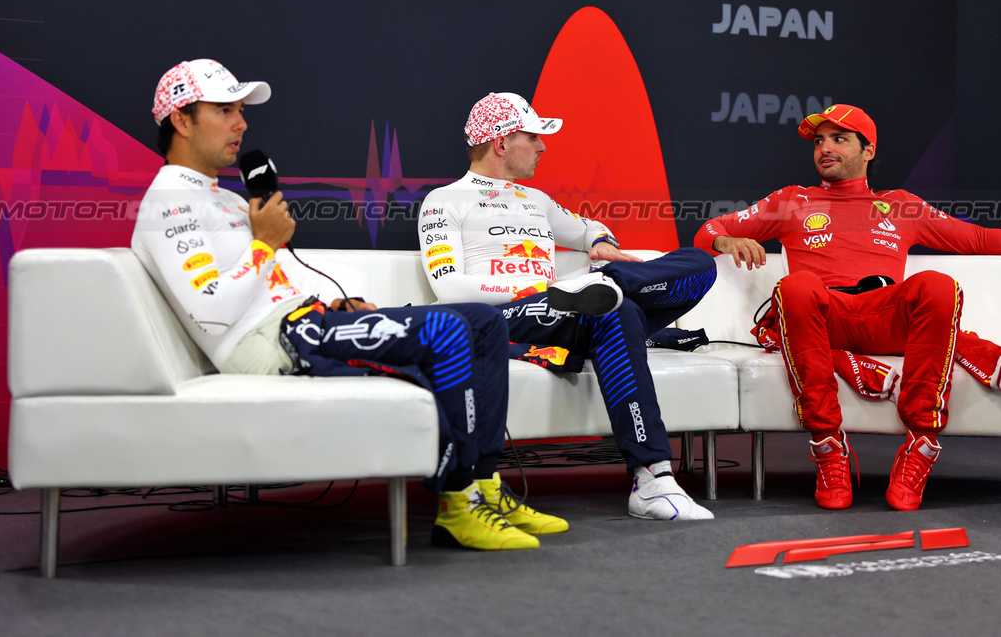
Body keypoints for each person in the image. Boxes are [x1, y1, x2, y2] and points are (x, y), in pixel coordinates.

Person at [131, 59, 567, 551]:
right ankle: (458, 503)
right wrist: (263, 246)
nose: (242, 122)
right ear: (182, 122)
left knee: (484, 322)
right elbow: (212, 311)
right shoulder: (168, 201)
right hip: (274, 345)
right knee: (448, 331)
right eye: (224, 109)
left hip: (306, 323)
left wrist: (334, 303)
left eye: (240, 110)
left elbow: (263, 287)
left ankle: (487, 485)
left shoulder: (224, 200)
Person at [695, 104, 1001, 511]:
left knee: (936, 286)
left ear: (868, 150)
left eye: (839, 139)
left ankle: (921, 446)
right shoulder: (792, 200)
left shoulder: (900, 204)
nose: (824, 148)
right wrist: (725, 241)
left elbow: (977, 239)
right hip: (825, 319)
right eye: (819, 140)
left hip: (886, 319)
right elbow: (709, 229)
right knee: (797, 285)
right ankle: (827, 448)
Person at [419, 92, 719, 521]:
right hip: (501, 318)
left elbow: (586, 231)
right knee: (617, 313)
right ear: (501, 143)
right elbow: (449, 288)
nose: (542, 146)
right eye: (533, 136)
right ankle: (653, 478)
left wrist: (600, 244)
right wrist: (535, 288)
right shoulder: (444, 201)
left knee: (698, 264)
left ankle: (607, 288)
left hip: (571, 308)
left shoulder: (536, 201)